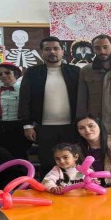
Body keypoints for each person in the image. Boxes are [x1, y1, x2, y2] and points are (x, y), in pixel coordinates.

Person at [18, 37, 80, 177]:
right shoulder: (32, 73)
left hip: (71, 126)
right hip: (43, 127)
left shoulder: (75, 72)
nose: (52, 52)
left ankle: (72, 187)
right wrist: (27, 125)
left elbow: (83, 98)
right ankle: (48, 187)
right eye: (47, 49)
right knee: (47, 162)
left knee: (71, 162)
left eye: (56, 48)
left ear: (62, 51)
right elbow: (24, 99)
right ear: (42, 52)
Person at [0, 61, 30, 161]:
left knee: (19, 154)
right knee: (2, 155)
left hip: (19, 126)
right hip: (0, 126)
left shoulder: (24, 89)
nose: (3, 75)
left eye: (7, 72)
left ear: (15, 73)